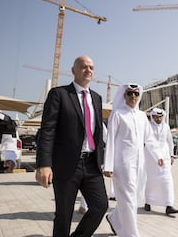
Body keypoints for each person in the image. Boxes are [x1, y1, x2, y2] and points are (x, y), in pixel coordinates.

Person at [35, 55, 108, 237]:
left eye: (91, 67)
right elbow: (48, 130)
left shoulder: (97, 98)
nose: (88, 70)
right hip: (67, 165)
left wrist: (103, 160)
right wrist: (44, 164)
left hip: (91, 164)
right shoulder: (59, 94)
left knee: (100, 206)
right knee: (64, 214)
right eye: (83, 66)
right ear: (73, 70)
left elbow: (98, 132)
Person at [104, 83, 162, 237]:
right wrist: (108, 165)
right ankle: (131, 234)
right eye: (130, 93)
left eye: (136, 94)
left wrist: (159, 156)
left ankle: (114, 218)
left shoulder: (142, 116)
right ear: (124, 95)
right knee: (128, 199)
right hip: (122, 164)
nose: (133, 97)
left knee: (135, 197)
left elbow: (149, 139)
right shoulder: (117, 114)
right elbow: (110, 140)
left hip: (139, 163)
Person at [144, 108, 178, 215]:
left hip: (165, 156)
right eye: (156, 117)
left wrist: (172, 155)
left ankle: (169, 205)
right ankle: (148, 201)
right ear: (152, 117)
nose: (158, 119)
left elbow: (170, 141)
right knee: (150, 180)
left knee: (167, 179)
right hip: (150, 157)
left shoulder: (166, 127)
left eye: (160, 117)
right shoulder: (148, 127)